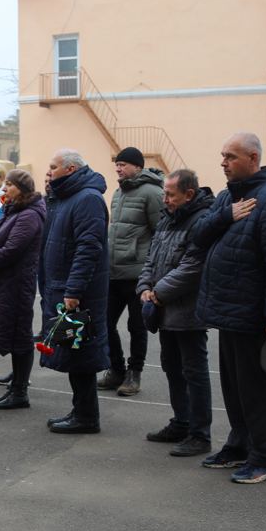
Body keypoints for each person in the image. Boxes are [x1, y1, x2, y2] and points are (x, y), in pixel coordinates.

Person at [192, 132, 266, 484]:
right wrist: (226, 215)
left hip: (251, 315)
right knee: (234, 388)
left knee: (255, 390)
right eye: (222, 155)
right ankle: (239, 445)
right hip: (228, 311)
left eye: (231, 156)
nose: (223, 162)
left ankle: (264, 457)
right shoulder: (229, 197)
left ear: (253, 159)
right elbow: (198, 234)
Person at [136, 169, 216, 456]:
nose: (165, 200)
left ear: (189, 194)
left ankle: (200, 434)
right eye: (164, 194)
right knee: (172, 368)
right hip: (164, 308)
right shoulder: (168, 218)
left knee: (194, 372)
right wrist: (145, 286)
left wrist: (159, 292)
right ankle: (181, 423)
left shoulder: (200, 221)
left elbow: (193, 267)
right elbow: (152, 257)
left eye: (170, 195)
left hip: (188, 311)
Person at [39, 150, 110, 434]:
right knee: (73, 353)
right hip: (62, 289)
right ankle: (81, 410)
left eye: (53, 167)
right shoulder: (67, 197)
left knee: (80, 354)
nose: (50, 171)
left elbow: (88, 247)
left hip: (76, 294)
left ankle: (86, 417)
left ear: (70, 169)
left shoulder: (87, 199)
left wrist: (74, 289)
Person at [0, 169, 46, 410]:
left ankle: (20, 391)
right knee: (13, 335)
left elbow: (12, 250)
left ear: (22, 189)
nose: (4, 189)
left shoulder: (29, 215)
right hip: (6, 282)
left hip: (17, 283)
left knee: (20, 336)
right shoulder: (11, 211)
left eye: (10, 185)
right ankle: (15, 387)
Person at [99, 147, 165, 397]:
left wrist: (153, 274)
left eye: (124, 164)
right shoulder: (118, 193)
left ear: (138, 166)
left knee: (137, 327)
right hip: (114, 271)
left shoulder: (152, 193)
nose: (118, 168)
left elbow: (160, 234)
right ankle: (115, 369)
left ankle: (134, 373)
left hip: (138, 275)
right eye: (117, 164)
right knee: (104, 323)